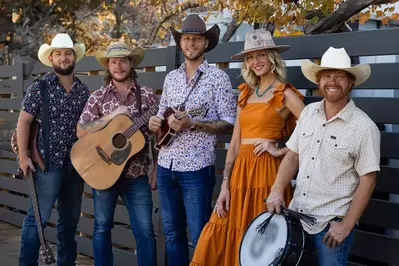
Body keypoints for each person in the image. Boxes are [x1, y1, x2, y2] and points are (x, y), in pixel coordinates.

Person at [189, 29, 305, 266]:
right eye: (250, 57)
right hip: (240, 173)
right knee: (219, 232)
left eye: (260, 55)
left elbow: (314, 132)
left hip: (267, 174)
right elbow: (234, 145)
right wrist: (224, 186)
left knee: (262, 243)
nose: (255, 62)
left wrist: (280, 151)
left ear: (271, 57)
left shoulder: (286, 92)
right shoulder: (245, 94)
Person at [266, 47, 381, 266]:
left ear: (351, 82)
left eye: (340, 76)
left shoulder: (364, 128)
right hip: (297, 217)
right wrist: (276, 189)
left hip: (330, 227)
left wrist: (346, 225)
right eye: (327, 75)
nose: (333, 81)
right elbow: (292, 156)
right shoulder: (309, 113)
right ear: (318, 81)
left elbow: (369, 180)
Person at [148, 14, 236, 266]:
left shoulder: (218, 79)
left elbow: (230, 123)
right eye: (186, 39)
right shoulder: (171, 78)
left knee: (200, 236)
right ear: (180, 43)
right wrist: (155, 122)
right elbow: (162, 115)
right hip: (166, 166)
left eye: (196, 39)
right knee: (173, 235)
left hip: (197, 169)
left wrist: (193, 123)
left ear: (205, 43)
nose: (191, 44)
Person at [77, 41, 158, 266]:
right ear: (108, 65)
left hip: (137, 175)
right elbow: (81, 130)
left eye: (123, 61)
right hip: (104, 175)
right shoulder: (98, 97)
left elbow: (158, 136)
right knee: (101, 228)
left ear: (131, 64)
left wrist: (157, 168)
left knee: (145, 231)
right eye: (114, 62)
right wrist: (110, 117)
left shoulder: (149, 96)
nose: (118, 66)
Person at [17, 33, 89, 265]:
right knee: (38, 219)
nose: (64, 57)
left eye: (68, 53)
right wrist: (23, 158)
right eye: (58, 53)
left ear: (74, 57)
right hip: (47, 165)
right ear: (51, 58)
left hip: (76, 166)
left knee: (69, 222)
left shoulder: (82, 90)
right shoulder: (40, 87)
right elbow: (23, 121)